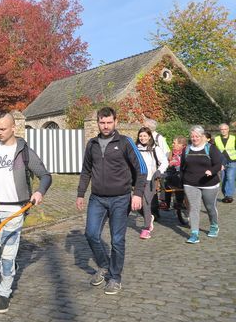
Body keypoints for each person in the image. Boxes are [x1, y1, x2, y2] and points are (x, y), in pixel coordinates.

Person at [0, 112, 52, 313]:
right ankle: (10, 269)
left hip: (16, 210)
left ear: (14, 128)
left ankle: (4, 293)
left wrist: (39, 192)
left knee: (7, 255)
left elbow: (45, 176)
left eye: (3, 128)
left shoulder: (24, 152)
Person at [76, 107, 146, 295]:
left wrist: (137, 194)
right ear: (98, 123)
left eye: (109, 122)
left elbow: (142, 169)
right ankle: (104, 265)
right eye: (102, 122)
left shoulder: (125, 142)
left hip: (120, 199)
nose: (105, 126)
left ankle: (115, 277)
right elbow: (86, 171)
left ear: (115, 122)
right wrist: (80, 193)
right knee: (91, 234)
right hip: (97, 199)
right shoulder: (92, 144)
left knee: (117, 240)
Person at [181, 125, 223, 244]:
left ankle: (214, 225)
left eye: (197, 136)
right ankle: (194, 234)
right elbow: (182, 167)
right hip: (190, 183)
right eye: (192, 136)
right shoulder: (187, 149)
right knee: (194, 208)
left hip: (209, 184)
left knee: (210, 207)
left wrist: (211, 171)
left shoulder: (210, 148)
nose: (194, 138)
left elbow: (218, 164)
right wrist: (182, 181)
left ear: (202, 136)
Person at [135, 127, 168, 239]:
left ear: (149, 136)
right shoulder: (135, 149)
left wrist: (159, 171)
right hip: (138, 180)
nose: (142, 138)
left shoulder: (155, 149)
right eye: (140, 136)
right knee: (136, 205)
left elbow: (164, 162)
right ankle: (149, 217)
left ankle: (146, 228)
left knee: (145, 203)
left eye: (145, 136)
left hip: (151, 179)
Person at [163, 136, 187, 214]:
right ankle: (167, 203)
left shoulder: (186, 152)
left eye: (174, 143)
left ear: (181, 145)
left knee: (178, 180)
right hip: (172, 172)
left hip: (183, 173)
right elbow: (166, 163)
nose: (172, 144)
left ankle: (180, 202)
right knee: (166, 179)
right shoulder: (171, 152)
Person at [215, 123, 236, 203]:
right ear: (220, 130)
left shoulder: (234, 138)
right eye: (222, 129)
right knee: (223, 179)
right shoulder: (216, 139)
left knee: (230, 178)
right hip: (221, 162)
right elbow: (215, 150)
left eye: (225, 129)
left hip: (232, 161)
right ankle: (225, 194)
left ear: (228, 130)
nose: (223, 131)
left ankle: (229, 195)